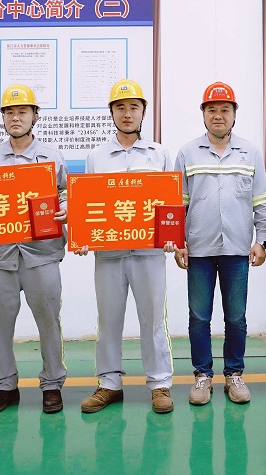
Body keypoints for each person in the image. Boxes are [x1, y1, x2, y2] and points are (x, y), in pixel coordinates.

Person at [169, 82, 266, 406]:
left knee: (236, 317)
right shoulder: (187, 153)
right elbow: (177, 204)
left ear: (234, 114)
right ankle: (202, 376)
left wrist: (262, 240)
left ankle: (234, 374)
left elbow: (261, 200)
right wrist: (178, 242)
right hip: (198, 251)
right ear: (203, 114)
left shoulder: (250, 152)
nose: (218, 115)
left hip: (238, 250)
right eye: (212, 109)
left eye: (224, 109)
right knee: (199, 317)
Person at [75, 79, 175, 414]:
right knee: (108, 319)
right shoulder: (97, 156)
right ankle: (109, 384)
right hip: (109, 255)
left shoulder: (159, 154)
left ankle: (159, 384)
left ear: (143, 111)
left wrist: (174, 237)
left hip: (149, 254)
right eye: (120, 107)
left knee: (153, 320)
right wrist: (81, 236)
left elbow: (171, 204)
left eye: (133, 107)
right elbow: (87, 204)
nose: (127, 113)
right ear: (112, 112)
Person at [0, 84, 69, 416]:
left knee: (48, 321)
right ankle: (4, 385)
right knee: (0, 324)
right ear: (3, 117)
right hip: (1, 256)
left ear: (35, 116)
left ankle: (52, 384)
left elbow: (65, 195)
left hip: (41, 254)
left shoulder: (52, 158)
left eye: (22, 112)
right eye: (9, 112)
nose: (15, 118)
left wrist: (67, 208)